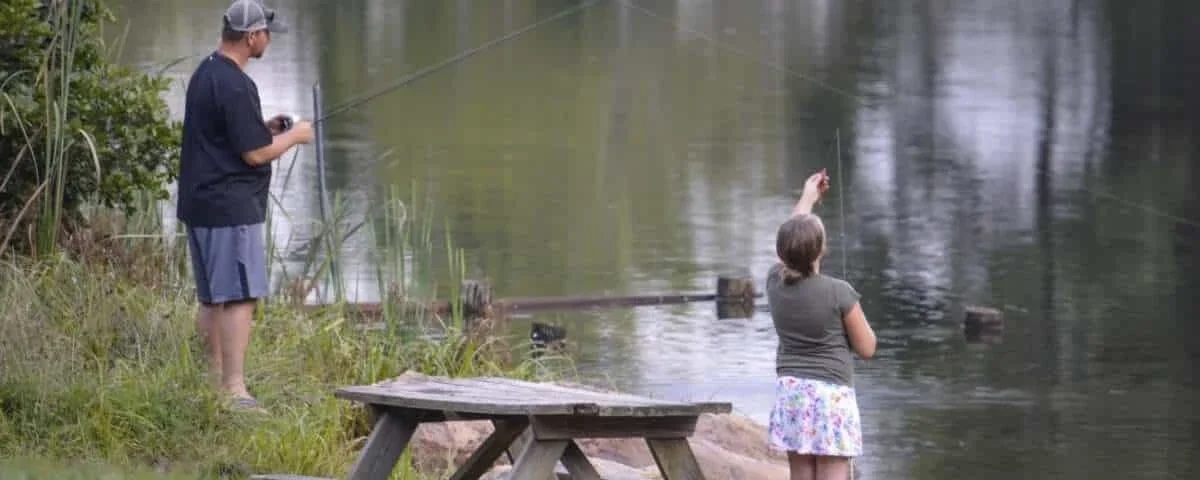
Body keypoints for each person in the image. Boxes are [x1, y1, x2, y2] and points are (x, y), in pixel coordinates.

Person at [176, 0, 314, 410]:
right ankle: (234, 390)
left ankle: (212, 383)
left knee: (211, 297)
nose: (269, 41)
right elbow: (254, 155)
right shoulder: (237, 84)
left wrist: (265, 128)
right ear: (252, 36)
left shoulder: (206, 72)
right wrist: (295, 136)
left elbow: (228, 135)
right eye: (266, 34)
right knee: (238, 297)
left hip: (200, 204)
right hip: (229, 208)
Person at [766, 169, 877, 480]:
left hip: (792, 393)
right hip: (831, 398)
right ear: (821, 251)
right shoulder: (839, 292)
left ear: (782, 253)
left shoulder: (774, 282)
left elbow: (791, 236)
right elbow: (867, 348)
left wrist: (807, 196)